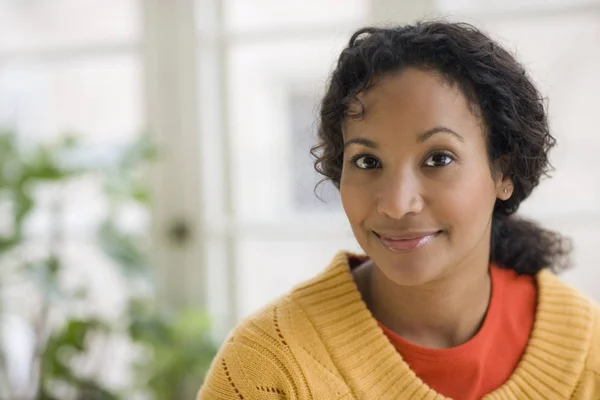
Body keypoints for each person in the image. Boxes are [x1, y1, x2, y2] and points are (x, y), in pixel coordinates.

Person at [198, 21, 600, 400]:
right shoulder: (269, 369)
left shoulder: (589, 356)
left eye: (438, 159)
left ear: (503, 171)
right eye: (367, 162)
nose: (396, 203)